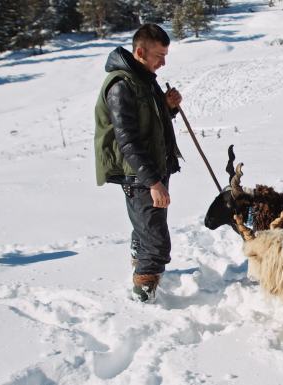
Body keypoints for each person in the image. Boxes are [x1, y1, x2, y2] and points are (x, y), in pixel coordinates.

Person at [94, 24, 182, 302]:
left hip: (153, 167)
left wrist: (168, 107)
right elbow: (127, 140)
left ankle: (139, 254)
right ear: (140, 51)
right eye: (159, 55)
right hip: (140, 174)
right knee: (157, 244)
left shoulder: (144, 78)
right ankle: (142, 297)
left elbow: (150, 124)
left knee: (148, 228)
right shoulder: (122, 85)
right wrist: (153, 182)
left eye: (166, 55)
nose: (164, 62)